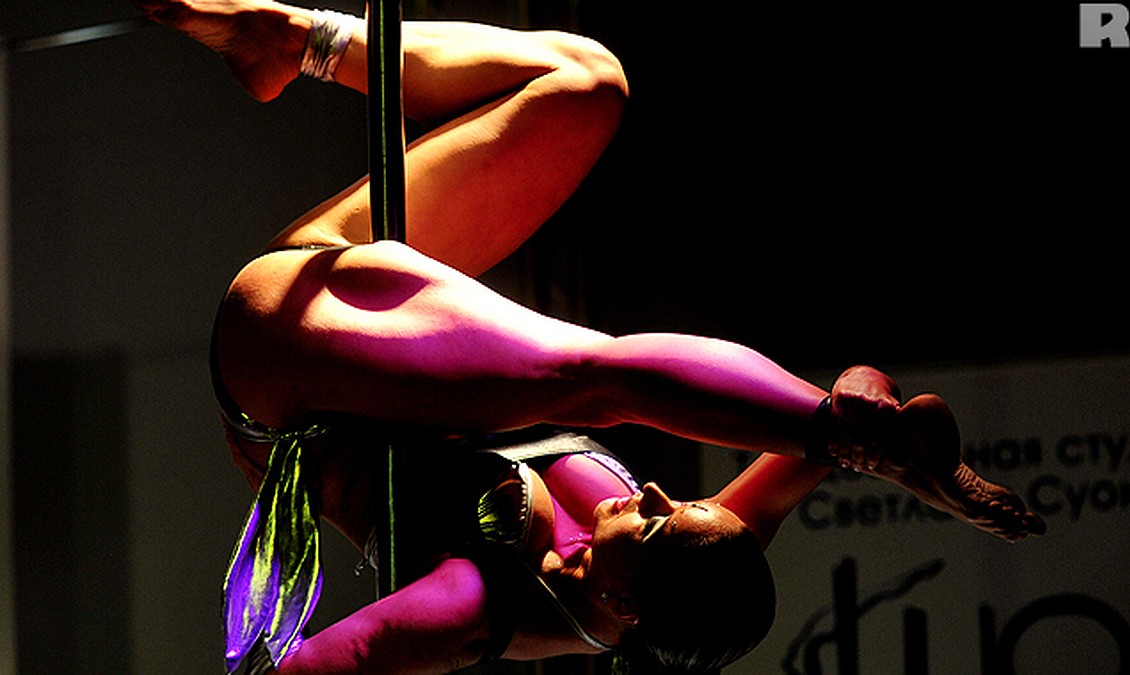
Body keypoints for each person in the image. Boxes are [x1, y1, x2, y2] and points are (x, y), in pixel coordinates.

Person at [134, 2, 1047, 673]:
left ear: (621, 604)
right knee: (584, 87)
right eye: (673, 505)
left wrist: (870, 442)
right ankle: (297, 41)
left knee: (589, 376)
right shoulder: (695, 557)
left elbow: (345, 658)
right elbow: (859, 380)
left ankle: (862, 441)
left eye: (653, 519)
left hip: (281, 362)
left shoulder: (481, 607)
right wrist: (868, 410)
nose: (653, 490)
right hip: (348, 300)